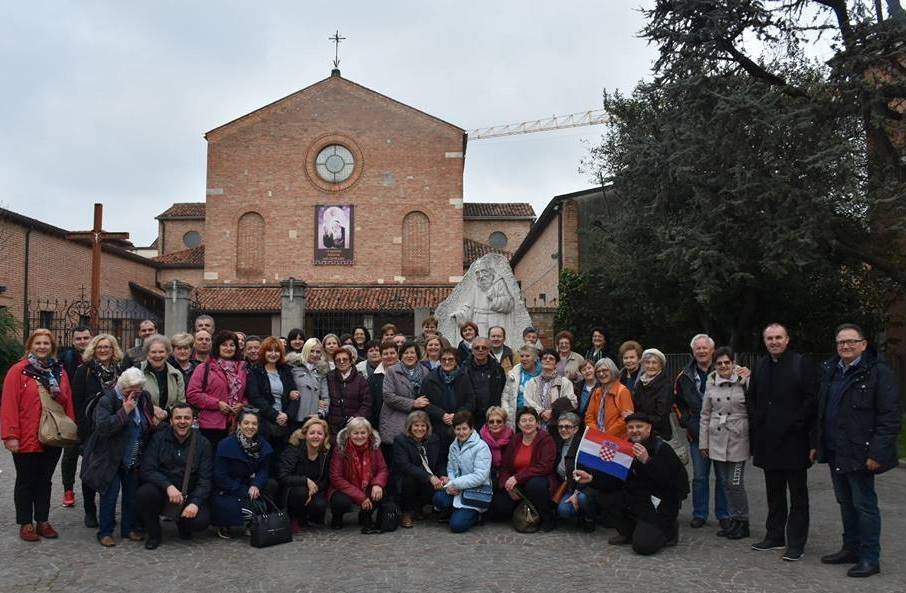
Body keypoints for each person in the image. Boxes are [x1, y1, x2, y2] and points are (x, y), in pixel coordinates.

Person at [814, 324, 901, 578]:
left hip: (861, 453)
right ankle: (850, 548)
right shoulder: (831, 370)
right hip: (835, 449)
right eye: (841, 342)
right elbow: (822, 410)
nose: (846, 346)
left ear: (863, 344)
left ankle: (870, 558)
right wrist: (817, 443)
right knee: (845, 502)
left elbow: (890, 417)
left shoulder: (878, 372)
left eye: (851, 341)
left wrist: (877, 453)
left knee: (864, 505)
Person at [747, 323, 818, 561]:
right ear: (764, 342)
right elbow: (752, 397)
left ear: (787, 339)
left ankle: (796, 543)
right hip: (768, 441)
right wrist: (758, 421)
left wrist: (795, 424)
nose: (774, 342)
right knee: (773, 493)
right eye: (770, 338)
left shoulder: (800, 364)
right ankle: (775, 535)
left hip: (794, 441)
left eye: (778, 337)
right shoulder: (760, 365)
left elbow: (811, 399)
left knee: (798, 496)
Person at [2, 329, 75, 542]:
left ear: (52, 347)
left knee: (45, 481)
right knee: (25, 481)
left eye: (46, 343)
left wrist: (69, 430)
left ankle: (42, 520)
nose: (42, 346)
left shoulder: (59, 372)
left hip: (52, 434)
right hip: (26, 436)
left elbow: (68, 402)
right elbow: (9, 404)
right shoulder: (18, 371)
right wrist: (10, 435)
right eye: (38, 343)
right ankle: (26, 523)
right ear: (30, 346)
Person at [80, 368, 155, 546]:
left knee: (131, 495)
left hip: (133, 455)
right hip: (110, 457)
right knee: (110, 495)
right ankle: (105, 532)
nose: (135, 394)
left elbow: (147, 420)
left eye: (138, 390)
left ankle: (129, 528)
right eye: (131, 390)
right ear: (122, 387)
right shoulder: (108, 400)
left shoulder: (143, 397)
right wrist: (124, 411)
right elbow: (103, 428)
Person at [598, 413, 689, 555]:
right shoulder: (626, 448)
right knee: (606, 496)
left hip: (659, 505)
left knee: (643, 546)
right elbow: (615, 478)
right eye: (631, 427)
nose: (634, 430)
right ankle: (629, 532)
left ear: (649, 428)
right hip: (637, 500)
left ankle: (669, 531)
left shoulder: (662, 449)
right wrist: (591, 478)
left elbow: (675, 484)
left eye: (639, 427)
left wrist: (647, 461)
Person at [137, 402, 212, 549]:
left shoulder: (203, 444)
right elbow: (147, 469)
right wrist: (168, 486)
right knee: (145, 494)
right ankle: (154, 533)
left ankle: (184, 523)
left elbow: (205, 480)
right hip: (163, 491)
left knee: (200, 521)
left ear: (193, 421)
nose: (182, 422)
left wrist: (195, 503)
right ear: (171, 421)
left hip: (188, 494)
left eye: (186, 418)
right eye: (178, 418)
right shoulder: (158, 439)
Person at [676, 334, 729, 530]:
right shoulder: (684, 376)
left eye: (705, 348)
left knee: (723, 477)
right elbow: (677, 402)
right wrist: (686, 421)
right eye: (698, 348)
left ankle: (724, 514)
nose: (701, 351)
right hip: (696, 433)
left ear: (712, 350)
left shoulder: (725, 370)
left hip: (722, 433)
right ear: (693, 351)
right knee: (699, 476)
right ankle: (699, 513)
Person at [71, 333, 124, 528]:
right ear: (93, 349)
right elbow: (76, 403)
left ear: (113, 349)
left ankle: (106, 511)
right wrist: (82, 431)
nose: (103, 350)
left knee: (111, 470)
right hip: (91, 429)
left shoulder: (121, 370)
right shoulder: (84, 371)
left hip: (114, 426)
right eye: (99, 347)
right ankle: (90, 510)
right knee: (90, 469)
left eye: (107, 347)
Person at [700, 347, 751, 540]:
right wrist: (703, 443)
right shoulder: (710, 383)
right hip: (717, 438)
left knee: (735, 483)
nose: (723, 366)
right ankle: (733, 521)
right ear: (715, 365)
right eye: (719, 363)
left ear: (733, 363)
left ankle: (743, 521)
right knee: (724, 483)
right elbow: (705, 415)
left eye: (726, 362)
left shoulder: (744, 381)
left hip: (738, 438)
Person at [491, 407, 557, 531]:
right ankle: (522, 510)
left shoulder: (546, 440)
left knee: (534, 484)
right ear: (518, 425)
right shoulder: (515, 439)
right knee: (498, 508)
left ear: (537, 423)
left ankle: (547, 517)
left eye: (531, 420)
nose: (527, 423)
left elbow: (545, 467)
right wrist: (507, 484)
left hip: (539, 482)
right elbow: (505, 466)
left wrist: (517, 478)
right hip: (517, 484)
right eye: (524, 420)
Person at [211, 409, 273, 539]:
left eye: (254, 424)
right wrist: (242, 489)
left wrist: (256, 485)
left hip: (251, 485)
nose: (250, 427)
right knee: (229, 504)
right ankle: (225, 524)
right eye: (246, 423)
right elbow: (220, 476)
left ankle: (255, 522)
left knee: (271, 485)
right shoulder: (225, 445)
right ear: (239, 424)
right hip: (228, 487)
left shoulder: (263, 445)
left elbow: (263, 470)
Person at [186, 330, 248, 450]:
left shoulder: (243, 368)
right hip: (210, 425)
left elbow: (247, 394)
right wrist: (217, 404)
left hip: (236, 424)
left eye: (232, 345)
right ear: (217, 347)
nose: (228, 348)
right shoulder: (204, 368)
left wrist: (242, 404)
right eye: (224, 345)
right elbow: (192, 394)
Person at [432, 411, 492, 533]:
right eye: (458, 429)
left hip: (475, 491)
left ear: (471, 428)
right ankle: (456, 511)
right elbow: (451, 468)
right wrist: (451, 485)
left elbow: (480, 476)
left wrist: (455, 484)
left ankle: (477, 515)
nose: (461, 432)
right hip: (457, 489)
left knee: (456, 526)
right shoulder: (453, 446)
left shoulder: (481, 447)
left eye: (464, 428)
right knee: (438, 498)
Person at [328, 417, 389, 533]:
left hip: (366, 485)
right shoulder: (340, 449)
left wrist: (377, 484)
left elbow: (383, 469)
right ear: (349, 434)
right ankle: (337, 517)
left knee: (379, 492)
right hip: (345, 487)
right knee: (339, 501)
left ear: (368, 433)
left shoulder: (374, 447)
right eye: (355, 433)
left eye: (363, 433)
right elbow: (336, 477)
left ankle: (365, 515)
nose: (359, 436)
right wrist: (360, 497)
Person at [380, 342, 430, 484]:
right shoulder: (392, 371)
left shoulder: (426, 372)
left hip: (417, 423)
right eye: (406, 353)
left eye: (412, 352)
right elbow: (388, 396)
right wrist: (413, 403)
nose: (409, 355)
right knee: (395, 466)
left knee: (415, 465)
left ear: (418, 355)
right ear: (401, 355)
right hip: (395, 421)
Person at [246, 337, 298, 457]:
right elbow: (255, 397)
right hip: (265, 421)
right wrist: (275, 415)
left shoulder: (286, 370)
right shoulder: (255, 371)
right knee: (265, 456)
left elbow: (295, 396)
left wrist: (287, 415)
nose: (273, 354)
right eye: (269, 350)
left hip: (285, 423)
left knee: (283, 457)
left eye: (277, 351)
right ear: (263, 352)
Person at [393, 411, 447, 528]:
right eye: (416, 425)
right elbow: (405, 465)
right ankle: (406, 512)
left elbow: (440, 462)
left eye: (423, 425)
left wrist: (443, 475)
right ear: (410, 426)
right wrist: (429, 477)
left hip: (428, 478)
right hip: (407, 478)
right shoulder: (401, 440)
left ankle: (419, 508)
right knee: (410, 479)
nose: (420, 429)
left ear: (427, 427)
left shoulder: (434, 439)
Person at [279, 417, 331, 531]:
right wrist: (306, 481)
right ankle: (293, 518)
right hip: (293, 491)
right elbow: (283, 477)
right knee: (301, 492)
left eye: (320, 433)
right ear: (305, 434)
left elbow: (325, 480)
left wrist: (314, 488)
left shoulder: (325, 453)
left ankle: (307, 518)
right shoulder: (293, 449)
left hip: (314, 491)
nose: (316, 436)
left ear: (324, 436)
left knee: (320, 504)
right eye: (312, 433)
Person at [421, 347, 474, 449]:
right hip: (437, 426)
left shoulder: (464, 377)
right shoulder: (430, 379)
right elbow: (424, 403)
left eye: (451, 359)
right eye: (443, 359)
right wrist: (442, 414)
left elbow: (470, 402)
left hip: (460, 427)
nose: (447, 362)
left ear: (456, 361)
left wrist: (456, 415)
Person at [554, 412, 595, 531]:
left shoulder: (584, 446)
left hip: (584, 488)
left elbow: (588, 474)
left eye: (567, 427)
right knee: (564, 511)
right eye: (561, 427)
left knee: (582, 499)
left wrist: (576, 493)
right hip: (567, 486)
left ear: (576, 429)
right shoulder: (559, 443)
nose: (563, 430)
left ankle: (589, 518)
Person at [523, 348, 577, 433]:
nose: (547, 360)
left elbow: (572, 402)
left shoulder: (565, 382)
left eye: (551, 359)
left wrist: (552, 412)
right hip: (536, 425)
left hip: (558, 426)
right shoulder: (532, 382)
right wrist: (541, 412)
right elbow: (527, 401)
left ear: (556, 364)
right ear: (540, 362)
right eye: (544, 358)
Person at [326, 347, 371, 442]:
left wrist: (356, 417)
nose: (342, 362)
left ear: (351, 361)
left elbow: (367, 403)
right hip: (333, 426)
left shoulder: (360, 379)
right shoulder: (329, 377)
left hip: (354, 426)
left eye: (345, 359)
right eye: (338, 360)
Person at [462, 337, 506, 430]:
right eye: (477, 348)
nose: (480, 350)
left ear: (489, 350)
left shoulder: (498, 369)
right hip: (471, 416)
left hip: (492, 417)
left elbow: (503, 390)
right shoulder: (464, 369)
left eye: (484, 347)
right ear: (472, 350)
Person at [139, 335, 185, 424]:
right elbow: (130, 398)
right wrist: (151, 408)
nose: (158, 355)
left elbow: (180, 403)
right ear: (147, 354)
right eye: (153, 352)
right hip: (142, 423)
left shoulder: (176, 374)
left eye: (161, 352)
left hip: (168, 423)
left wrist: (166, 413)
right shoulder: (137, 371)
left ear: (167, 354)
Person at [584, 357, 634, 439]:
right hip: (597, 438)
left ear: (612, 371)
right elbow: (589, 417)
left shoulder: (623, 391)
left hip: (617, 440)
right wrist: (597, 433)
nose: (601, 374)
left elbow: (625, 419)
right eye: (598, 371)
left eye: (604, 370)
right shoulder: (596, 392)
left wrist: (606, 435)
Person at [287, 338, 330, 426]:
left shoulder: (322, 371)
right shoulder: (292, 367)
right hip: (294, 417)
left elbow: (325, 397)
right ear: (306, 350)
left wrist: (320, 414)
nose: (315, 354)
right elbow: (284, 388)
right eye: (311, 351)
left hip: (313, 419)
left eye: (318, 352)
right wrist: (289, 393)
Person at [632, 348, 673, 440]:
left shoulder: (666, 385)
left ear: (661, 365)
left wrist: (637, 418)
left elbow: (661, 417)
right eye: (647, 362)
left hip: (658, 434)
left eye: (654, 363)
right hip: (640, 432)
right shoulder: (640, 383)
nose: (650, 366)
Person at [501, 345, 541, 426]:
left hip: (537, 416)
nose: (524, 359)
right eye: (522, 356)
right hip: (517, 415)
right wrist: (507, 415)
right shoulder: (514, 373)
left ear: (535, 358)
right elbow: (505, 397)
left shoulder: (542, 373)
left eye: (527, 356)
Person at [367, 340, 399, 430]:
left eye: (392, 353)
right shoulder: (373, 379)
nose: (389, 356)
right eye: (385, 354)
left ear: (397, 355)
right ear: (381, 356)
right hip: (381, 424)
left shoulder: (406, 373)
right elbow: (371, 406)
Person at [478, 406, 513, 485]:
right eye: (491, 421)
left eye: (499, 421)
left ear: (504, 423)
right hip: (485, 478)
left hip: (507, 479)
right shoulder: (479, 439)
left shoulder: (512, 438)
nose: (495, 424)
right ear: (487, 423)